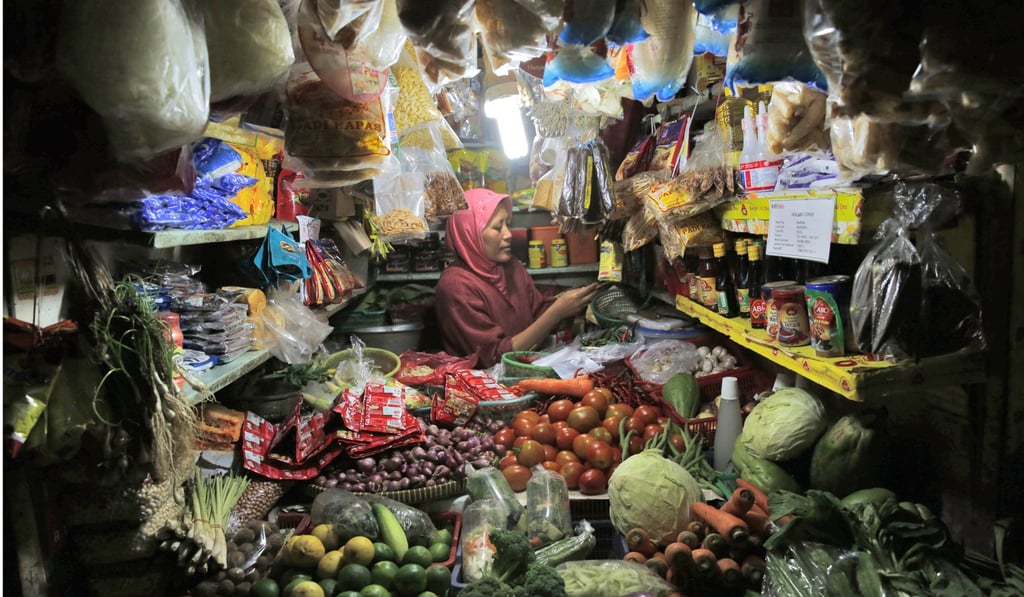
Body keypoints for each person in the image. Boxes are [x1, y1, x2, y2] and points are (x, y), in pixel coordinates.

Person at [435, 188, 599, 368]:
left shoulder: (511, 267)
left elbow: (537, 314)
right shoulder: (456, 285)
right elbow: (492, 357)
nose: (508, 234)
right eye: (498, 227)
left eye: (508, 224)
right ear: (470, 233)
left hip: (522, 372)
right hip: (481, 387)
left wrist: (579, 302)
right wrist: (557, 312)